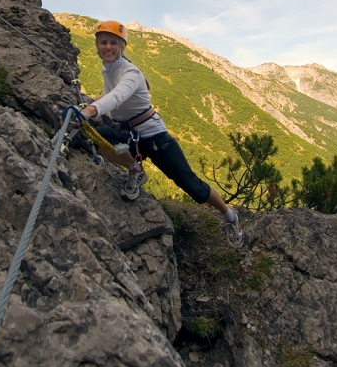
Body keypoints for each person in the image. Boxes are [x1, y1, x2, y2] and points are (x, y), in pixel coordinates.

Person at [80, 20, 244, 247]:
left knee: (191, 185)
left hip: (155, 138)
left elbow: (117, 96)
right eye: (104, 42)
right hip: (129, 133)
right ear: (97, 45)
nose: (108, 47)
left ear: (122, 47)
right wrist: (92, 101)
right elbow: (111, 95)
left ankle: (230, 215)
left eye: (113, 43)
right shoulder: (108, 69)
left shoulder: (131, 72)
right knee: (96, 137)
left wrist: (88, 111)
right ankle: (136, 170)